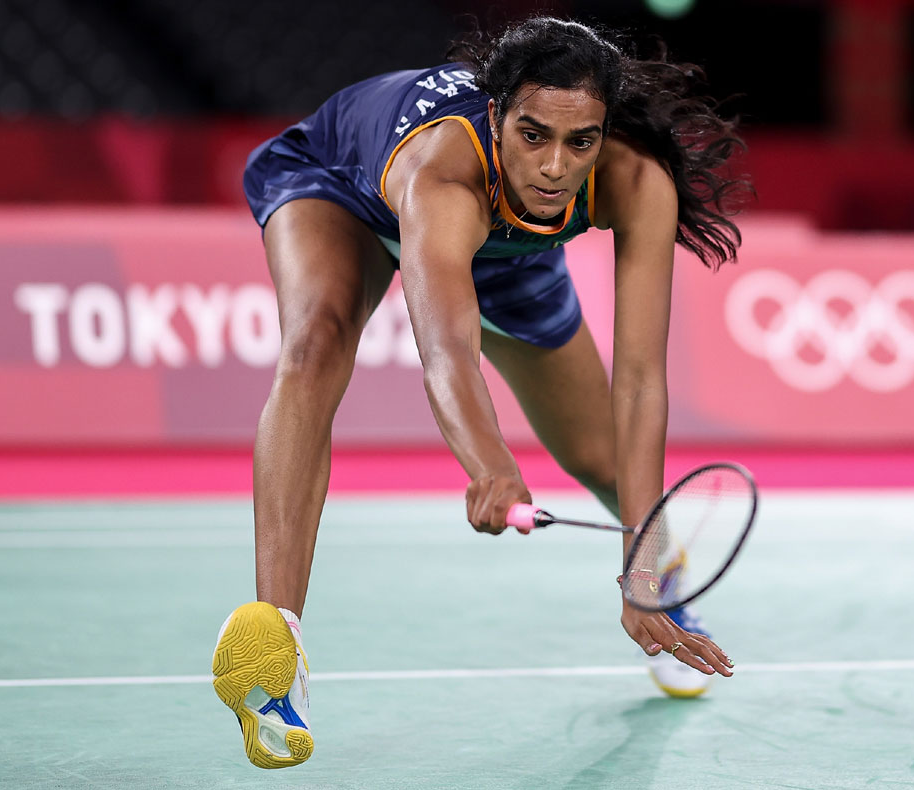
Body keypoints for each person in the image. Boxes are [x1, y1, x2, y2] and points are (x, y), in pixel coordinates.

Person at [211, 16, 750, 769]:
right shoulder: (444, 173)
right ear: (495, 113)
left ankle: (672, 575)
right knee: (316, 342)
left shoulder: (634, 179)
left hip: (511, 249)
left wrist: (644, 562)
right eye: (533, 135)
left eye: (579, 141)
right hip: (343, 193)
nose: (557, 165)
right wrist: (490, 464)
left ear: (604, 132)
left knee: (600, 455)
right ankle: (279, 649)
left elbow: (639, 381)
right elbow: (446, 349)